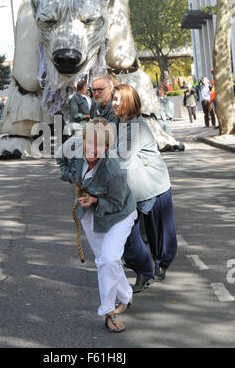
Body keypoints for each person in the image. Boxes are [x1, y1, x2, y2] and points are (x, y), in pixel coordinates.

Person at [56, 118, 136, 333]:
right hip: (89, 213)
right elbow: (59, 158)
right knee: (106, 262)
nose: (92, 149)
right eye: (88, 143)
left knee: (109, 259)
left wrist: (94, 200)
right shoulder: (73, 148)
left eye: (100, 145)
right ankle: (126, 296)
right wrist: (75, 184)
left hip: (119, 214)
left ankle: (108, 312)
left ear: (108, 147)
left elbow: (117, 203)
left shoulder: (114, 169)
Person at [112, 84, 178, 283]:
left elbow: (124, 158)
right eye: (113, 99)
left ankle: (160, 264)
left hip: (153, 185)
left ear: (129, 103)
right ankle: (143, 268)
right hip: (132, 188)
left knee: (159, 232)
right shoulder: (118, 122)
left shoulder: (137, 126)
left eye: (117, 99)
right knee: (127, 230)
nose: (113, 103)